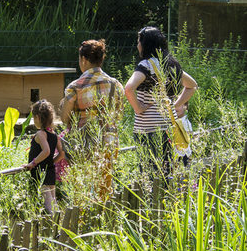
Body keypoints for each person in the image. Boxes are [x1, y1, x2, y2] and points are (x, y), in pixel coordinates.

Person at [124, 26, 198, 185]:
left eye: (139, 41)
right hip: (169, 128)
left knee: (150, 176)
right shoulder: (172, 64)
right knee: (168, 172)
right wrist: (175, 104)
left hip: (147, 130)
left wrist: (138, 108)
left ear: (145, 44)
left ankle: (153, 207)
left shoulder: (146, 65)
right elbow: (192, 85)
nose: (137, 45)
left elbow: (129, 88)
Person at [59, 39, 125, 201]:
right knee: (104, 189)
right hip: (109, 143)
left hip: (83, 145)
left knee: (83, 190)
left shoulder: (75, 86)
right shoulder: (116, 85)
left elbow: (64, 118)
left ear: (84, 59)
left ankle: (84, 222)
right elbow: (119, 115)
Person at [24, 99, 65, 214]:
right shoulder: (54, 135)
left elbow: (46, 151)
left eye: (33, 118)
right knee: (53, 201)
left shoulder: (41, 134)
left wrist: (32, 163)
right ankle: (58, 223)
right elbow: (62, 154)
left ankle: (54, 226)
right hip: (50, 171)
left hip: (40, 172)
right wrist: (51, 162)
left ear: (37, 117)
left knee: (48, 204)